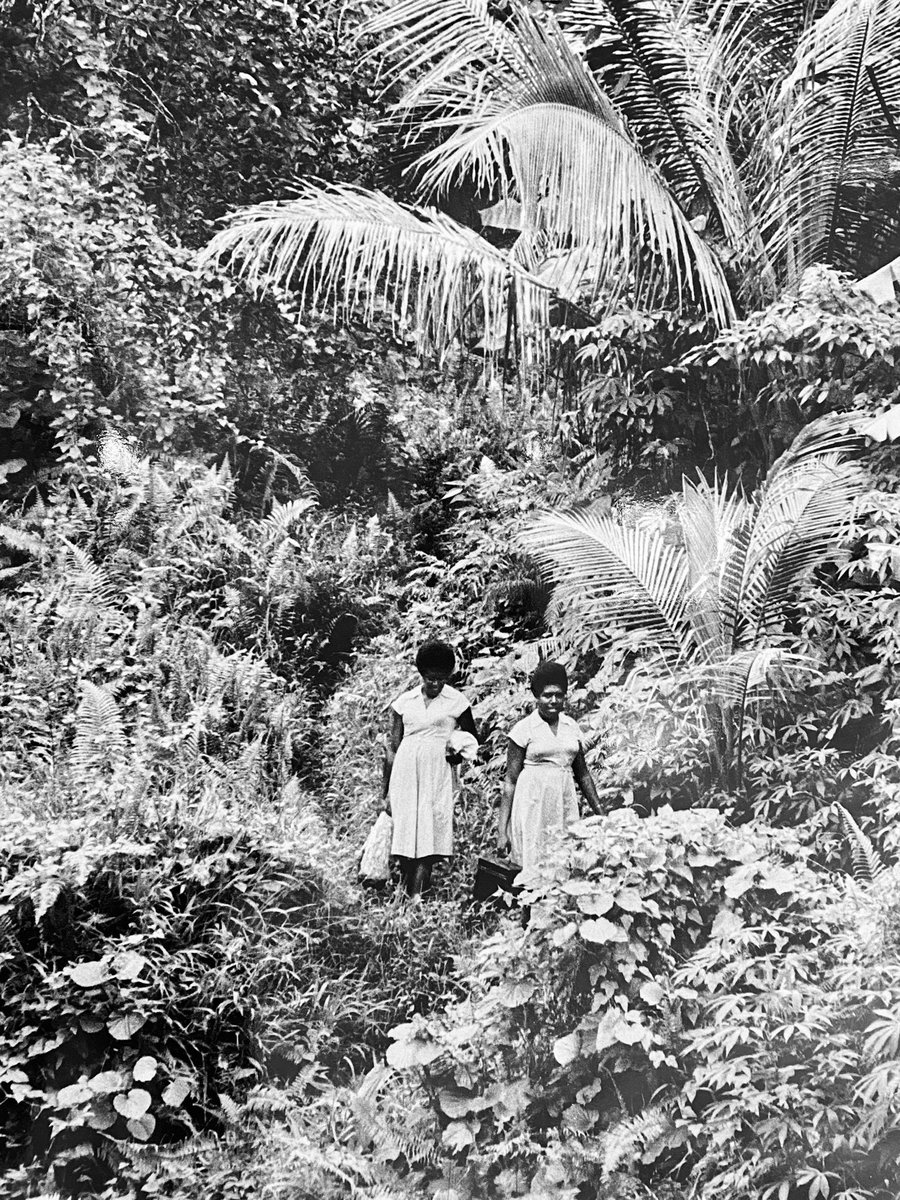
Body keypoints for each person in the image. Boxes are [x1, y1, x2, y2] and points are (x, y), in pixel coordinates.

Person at [383, 640, 478, 898]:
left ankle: (418, 897)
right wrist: (387, 791)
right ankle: (404, 892)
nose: (435, 684)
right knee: (405, 828)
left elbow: (472, 740)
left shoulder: (457, 702)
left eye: (441, 679)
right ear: (421, 674)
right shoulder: (404, 702)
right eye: (429, 678)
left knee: (429, 829)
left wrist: (455, 755)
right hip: (406, 772)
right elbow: (392, 748)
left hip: (436, 773)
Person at [497, 661, 603, 878]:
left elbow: (582, 774)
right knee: (532, 862)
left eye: (559, 695)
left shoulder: (571, 726)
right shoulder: (524, 729)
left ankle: (556, 910)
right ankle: (528, 912)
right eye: (547, 695)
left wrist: (601, 812)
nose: (553, 701)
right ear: (537, 696)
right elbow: (510, 782)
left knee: (563, 857)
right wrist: (502, 831)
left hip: (563, 802)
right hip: (532, 804)